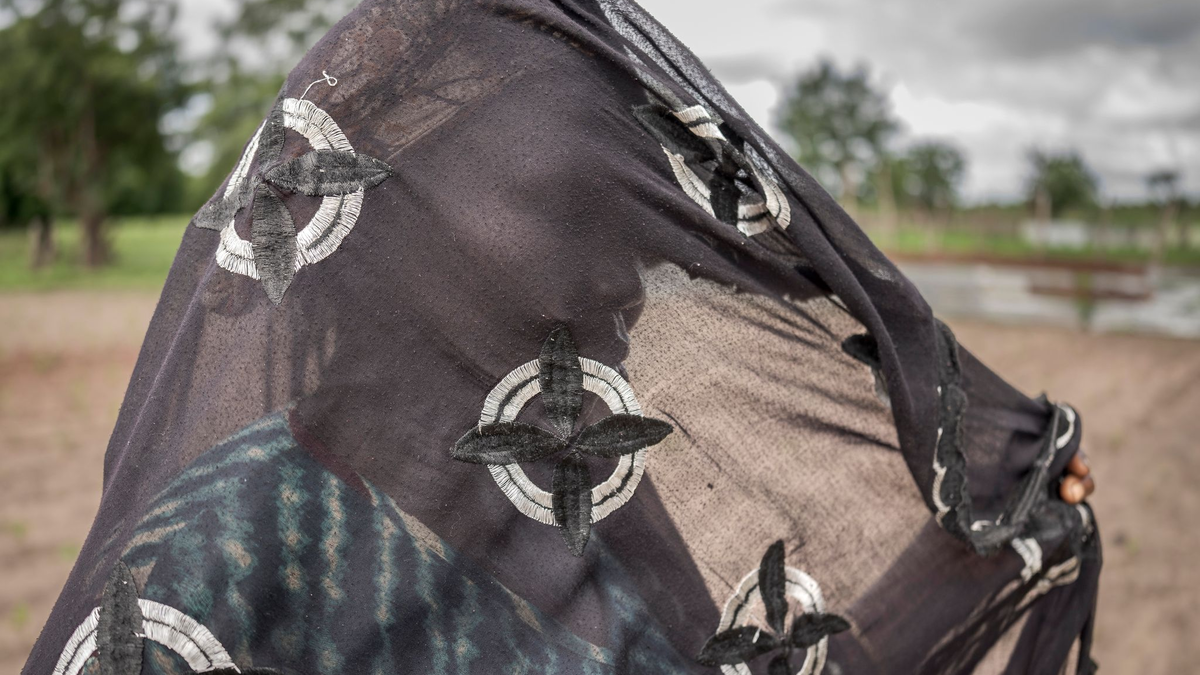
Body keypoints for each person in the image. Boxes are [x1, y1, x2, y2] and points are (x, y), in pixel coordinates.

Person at [23, 1, 1099, 673]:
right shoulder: (240, 536)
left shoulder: (588, 489)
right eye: (570, 227)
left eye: (633, 238)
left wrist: (993, 526)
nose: (628, 280)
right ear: (399, 233)